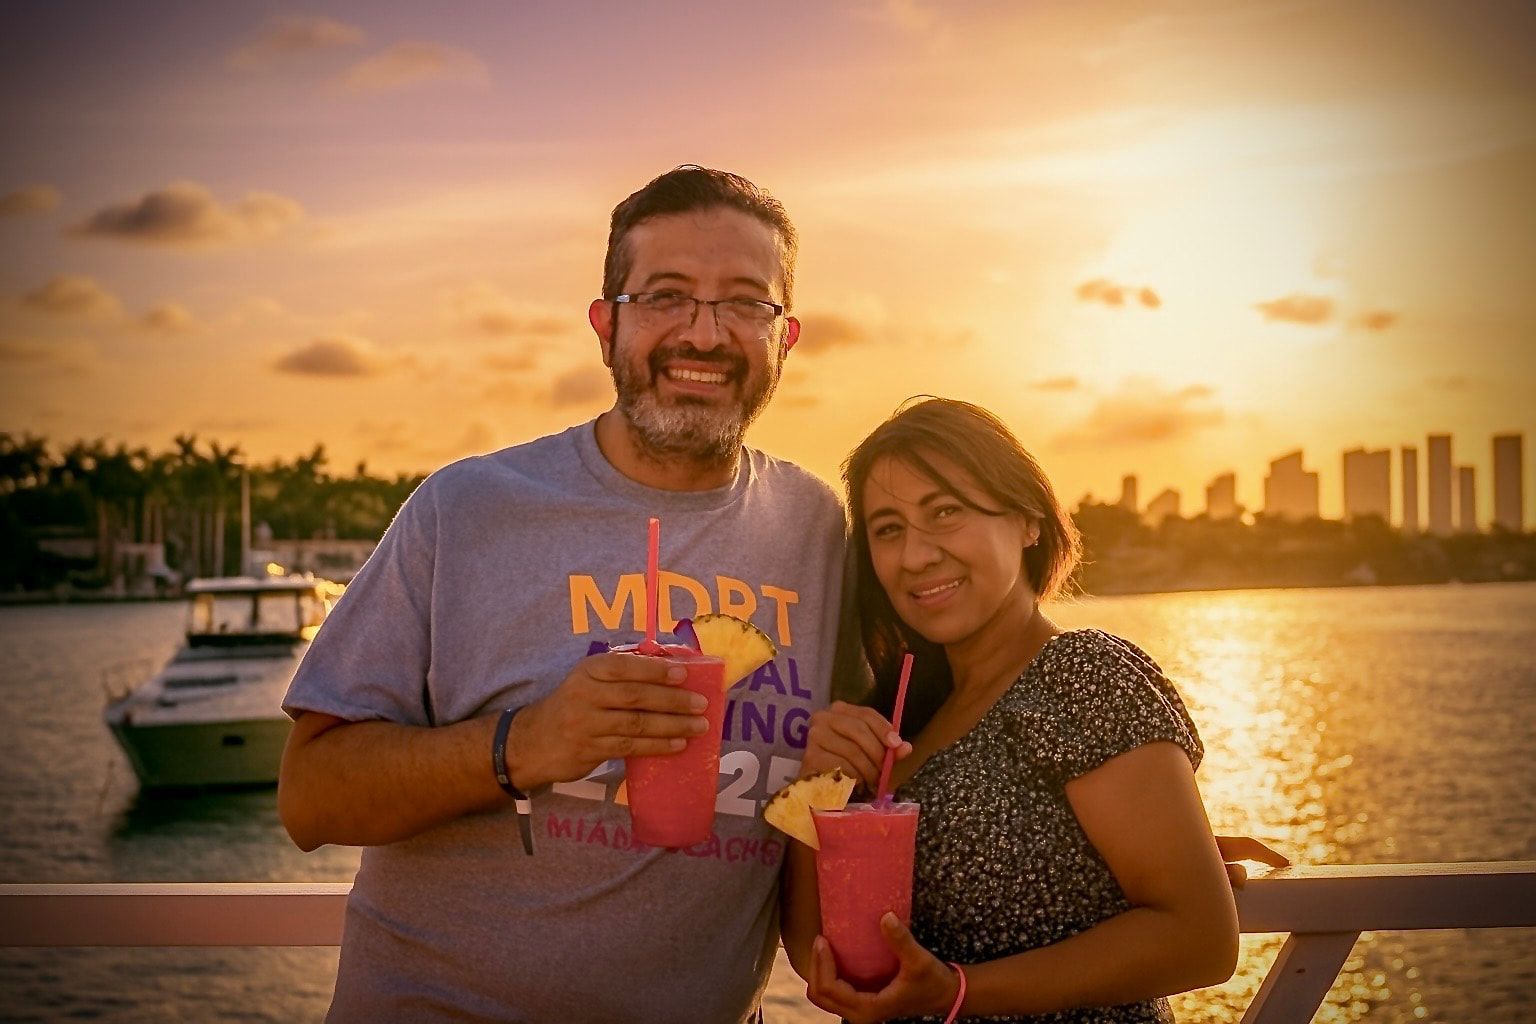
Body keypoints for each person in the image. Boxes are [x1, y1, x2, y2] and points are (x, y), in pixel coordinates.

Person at [278, 166, 851, 1022]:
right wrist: (526, 742)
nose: (704, 332)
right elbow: (311, 797)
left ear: (787, 336)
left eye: (744, 302)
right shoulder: (467, 508)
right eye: (664, 296)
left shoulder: (816, 530)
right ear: (605, 324)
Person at [782, 398, 1251, 1023]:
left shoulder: (1081, 675)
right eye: (888, 528)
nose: (915, 556)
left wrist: (957, 992)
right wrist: (816, 786)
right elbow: (815, 953)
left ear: (1028, 520)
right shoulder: (905, 717)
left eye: (945, 512)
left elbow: (1201, 940)